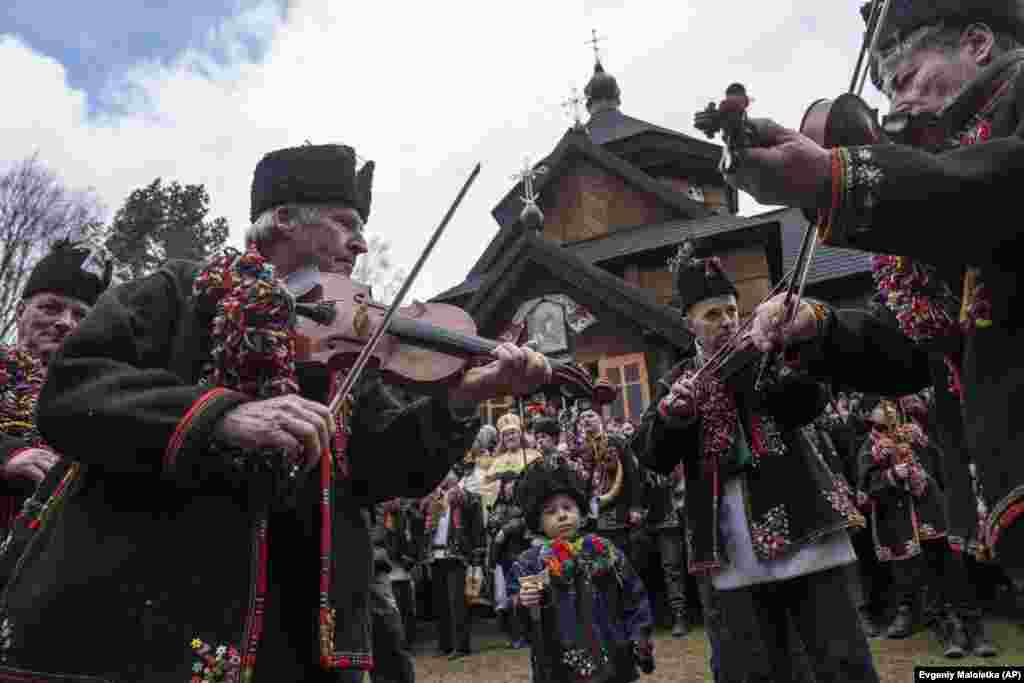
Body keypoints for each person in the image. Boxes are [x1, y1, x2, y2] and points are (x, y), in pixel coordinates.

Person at [0, 144, 552, 682]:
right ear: (283, 218)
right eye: (344, 221)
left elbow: (385, 468)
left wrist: (463, 397)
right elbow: (75, 389)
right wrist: (221, 416)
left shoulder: (350, 343)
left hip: (302, 637)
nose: (360, 243)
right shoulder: (182, 291)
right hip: (156, 625)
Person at [734, 0, 1024, 590]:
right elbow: (916, 346)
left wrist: (836, 178)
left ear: (976, 44)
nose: (897, 108)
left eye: (908, 79)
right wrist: (818, 326)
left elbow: (997, 189)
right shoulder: (944, 164)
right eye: (888, 91)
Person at [634, 251, 876, 682]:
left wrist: (792, 355)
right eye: (712, 314)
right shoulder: (678, 381)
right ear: (689, 323)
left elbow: (809, 402)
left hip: (802, 516)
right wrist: (673, 418)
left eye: (732, 310)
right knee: (749, 665)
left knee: (838, 654)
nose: (728, 321)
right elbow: (651, 453)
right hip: (727, 537)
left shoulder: (768, 350)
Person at [0, 241, 110, 584]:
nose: (65, 322)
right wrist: (7, 454)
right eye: (50, 307)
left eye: (80, 315)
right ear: (20, 312)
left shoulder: (102, 399)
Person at [512, 457, 655, 683]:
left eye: (568, 507)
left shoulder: (605, 550)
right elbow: (525, 625)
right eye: (550, 511)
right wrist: (523, 602)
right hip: (558, 664)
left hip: (612, 655)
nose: (561, 515)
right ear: (538, 522)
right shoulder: (530, 562)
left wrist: (640, 635)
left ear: (581, 511)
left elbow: (634, 594)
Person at [421, 471, 484, 660]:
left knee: (457, 602)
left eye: (448, 473)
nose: (443, 477)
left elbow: (474, 509)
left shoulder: (464, 496)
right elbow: (419, 516)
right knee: (440, 603)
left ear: (455, 477)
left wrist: (477, 553)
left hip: (456, 555)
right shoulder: (435, 497)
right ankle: (444, 645)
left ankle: (461, 646)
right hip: (436, 555)